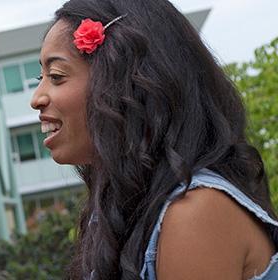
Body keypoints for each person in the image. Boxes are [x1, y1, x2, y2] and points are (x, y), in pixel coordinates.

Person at [29, 0, 278, 279]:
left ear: (128, 83)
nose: (36, 99)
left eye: (57, 76)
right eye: (41, 77)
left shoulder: (195, 212)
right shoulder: (123, 212)